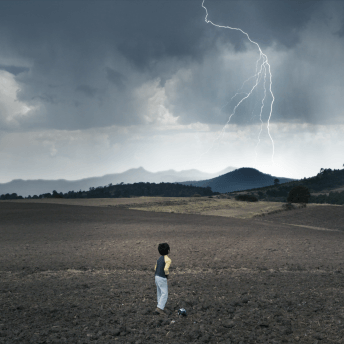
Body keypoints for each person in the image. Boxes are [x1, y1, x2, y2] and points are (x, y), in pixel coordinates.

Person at [154, 243, 171, 315]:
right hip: (162, 277)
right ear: (168, 250)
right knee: (165, 293)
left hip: (156, 276)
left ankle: (160, 305)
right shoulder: (168, 259)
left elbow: (155, 268)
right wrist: (167, 275)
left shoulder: (158, 259)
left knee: (159, 292)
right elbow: (166, 269)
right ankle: (160, 308)